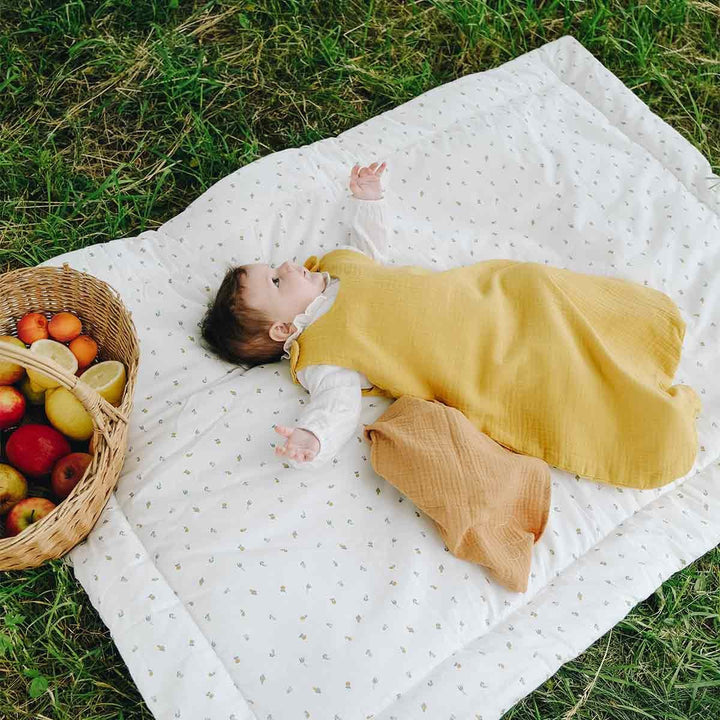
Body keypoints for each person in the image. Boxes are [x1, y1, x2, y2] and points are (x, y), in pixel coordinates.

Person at [201, 162, 700, 489]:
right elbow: (337, 406)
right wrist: (312, 438)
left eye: (275, 264)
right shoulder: (322, 354)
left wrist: (367, 199)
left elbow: (372, 248)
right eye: (275, 280)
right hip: (479, 360)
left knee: (536, 284)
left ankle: (634, 333)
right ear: (284, 330)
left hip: (489, 301)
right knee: (546, 374)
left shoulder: (339, 266)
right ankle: (647, 422)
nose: (287, 266)